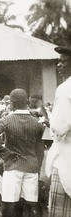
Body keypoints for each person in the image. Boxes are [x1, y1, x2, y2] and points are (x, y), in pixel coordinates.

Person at [0, 88, 44, 217]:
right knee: (31, 204)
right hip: (32, 167)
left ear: (12, 103)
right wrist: (37, 165)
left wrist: (6, 154)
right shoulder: (37, 123)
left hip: (13, 166)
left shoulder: (6, 120)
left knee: (10, 205)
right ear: (27, 102)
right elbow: (40, 149)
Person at [45, 46, 71, 217]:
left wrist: (49, 120)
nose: (59, 65)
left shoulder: (64, 89)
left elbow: (59, 129)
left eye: (64, 61)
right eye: (58, 61)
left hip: (66, 157)